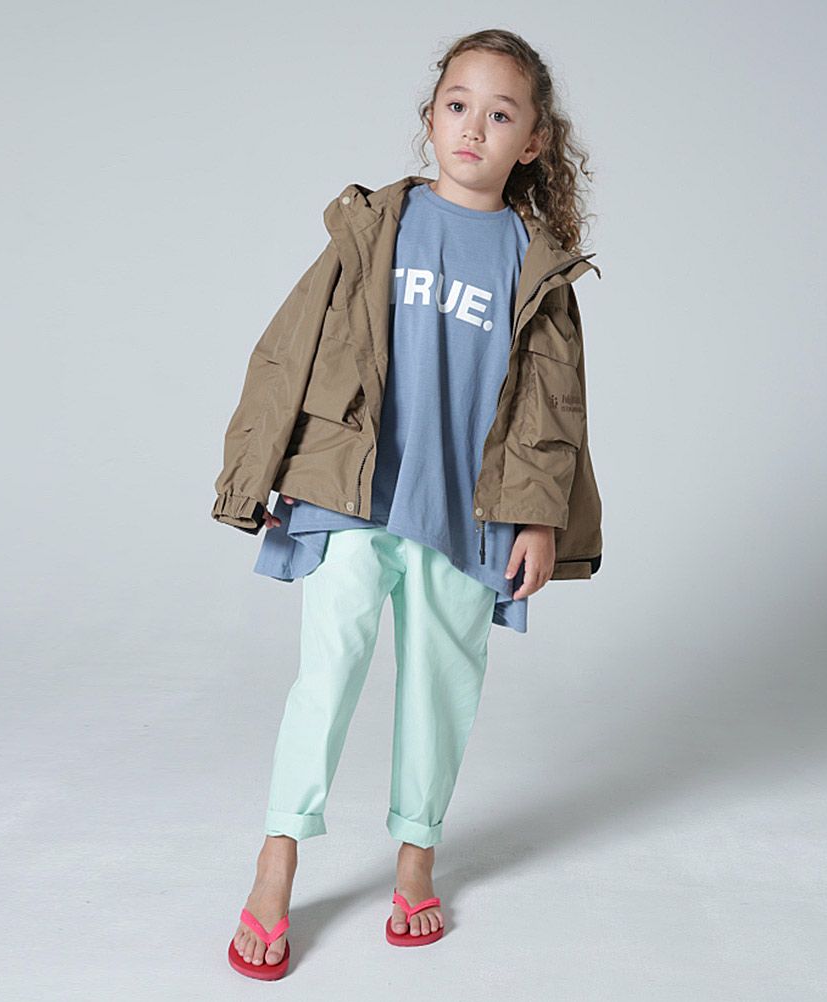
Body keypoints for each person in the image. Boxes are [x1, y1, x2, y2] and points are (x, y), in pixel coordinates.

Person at [211, 28, 604, 979]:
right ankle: (277, 858)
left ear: (533, 142)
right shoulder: (378, 227)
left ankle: (416, 858)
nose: (474, 127)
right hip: (353, 495)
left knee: (440, 692)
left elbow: (553, 412)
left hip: (467, 518)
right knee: (327, 679)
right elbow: (289, 350)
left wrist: (540, 518)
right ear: (430, 117)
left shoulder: (535, 263)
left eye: (499, 114)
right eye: (457, 106)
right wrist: (262, 474)